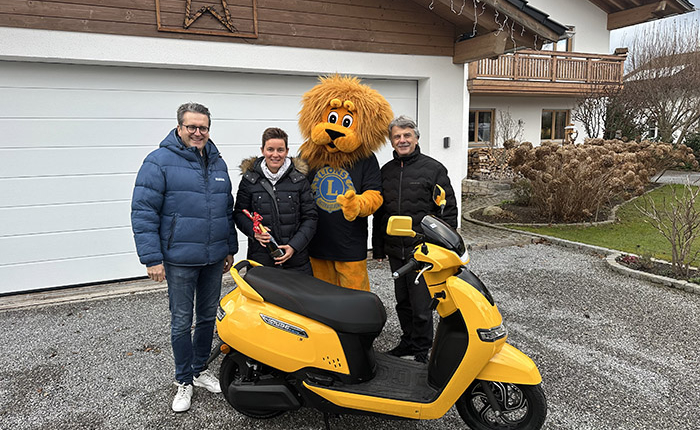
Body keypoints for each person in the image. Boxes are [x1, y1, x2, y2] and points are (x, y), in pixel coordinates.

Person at [130, 102, 237, 412]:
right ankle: (183, 381)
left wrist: (229, 247)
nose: (197, 132)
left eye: (203, 127)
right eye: (191, 126)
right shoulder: (158, 162)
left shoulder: (217, 163)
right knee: (181, 321)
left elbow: (225, 210)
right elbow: (143, 211)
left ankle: (200, 369)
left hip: (214, 257)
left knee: (206, 318)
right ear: (179, 127)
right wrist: (152, 258)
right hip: (178, 259)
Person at [372, 115, 458, 363]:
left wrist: (443, 245)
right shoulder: (385, 172)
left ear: (416, 138)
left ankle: (422, 349)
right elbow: (380, 213)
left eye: (407, 135)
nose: (402, 140)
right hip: (395, 250)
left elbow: (448, 209)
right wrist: (378, 247)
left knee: (422, 304)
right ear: (391, 141)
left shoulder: (434, 169)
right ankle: (407, 341)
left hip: (423, 250)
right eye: (397, 136)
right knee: (403, 301)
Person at [234, 127, 317, 274]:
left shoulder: (299, 180)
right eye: (270, 149)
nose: (275, 155)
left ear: (287, 150)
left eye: (280, 150)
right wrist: (254, 233)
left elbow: (310, 217)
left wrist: (294, 246)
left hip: (296, 260)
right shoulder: (250, 180)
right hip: (260, 259)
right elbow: (239, 213)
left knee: (297, 297)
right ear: (262, 150)